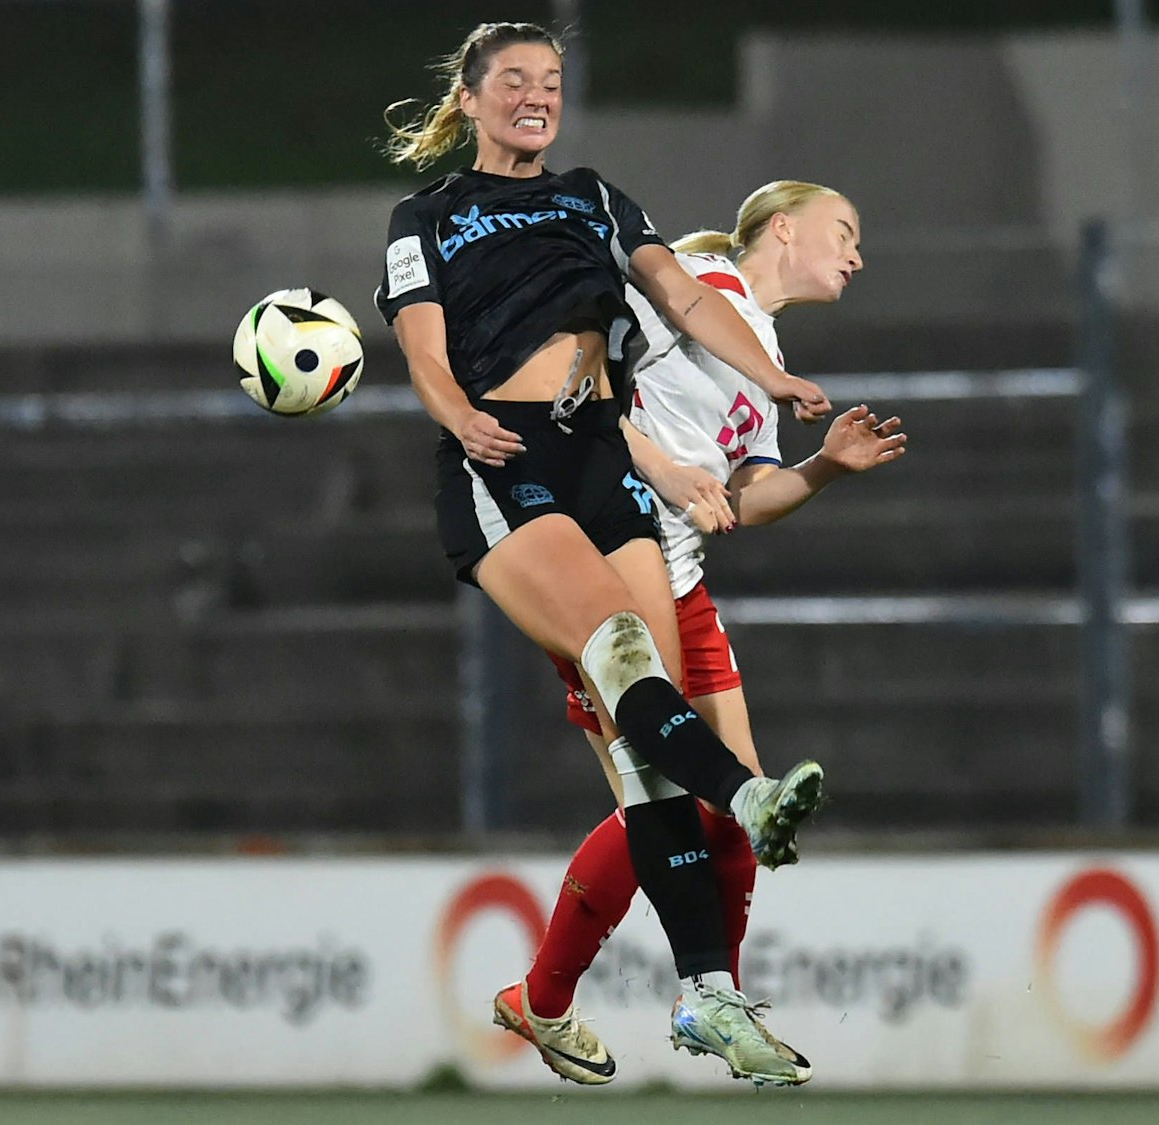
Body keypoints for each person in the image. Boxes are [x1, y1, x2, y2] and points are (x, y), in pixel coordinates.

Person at [377, 23, 831, 1086]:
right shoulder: (425, 218)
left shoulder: (593, 195)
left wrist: (770, 385)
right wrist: (459, 419)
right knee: (623, 652)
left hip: (594, 453)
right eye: (516, 82)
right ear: (471, 98)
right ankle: (748, 802)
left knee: (645, 738)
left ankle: (705, 996)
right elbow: (423, 351)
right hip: (503, 457)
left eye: (552, 82)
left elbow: (677, 296)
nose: (537, 97)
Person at [496, 182, 905, 1087]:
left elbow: (748, 498)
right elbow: (582, 383)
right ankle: (585, 995)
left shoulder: (763, 354)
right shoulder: (685, 284)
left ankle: (706, 999)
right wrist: (666, 467)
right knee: (671, 800)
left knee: (741, 809)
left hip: (679, 580)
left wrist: (826, 469)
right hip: (602, 571)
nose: (856, 255)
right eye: (846, 231)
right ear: (784, 230)